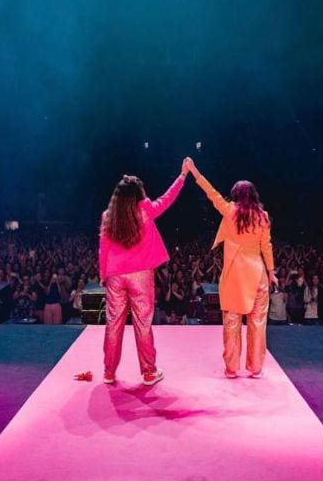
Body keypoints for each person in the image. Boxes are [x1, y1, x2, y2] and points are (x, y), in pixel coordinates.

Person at [184, 157, 277, 379]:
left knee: (232, 322)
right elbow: (267, 246)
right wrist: (272, 273)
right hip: (258, 275)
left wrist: (194, 170)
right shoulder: (263, 217)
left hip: (235, 274)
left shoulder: (229, 211)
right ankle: (255, 368)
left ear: (235, 196)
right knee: (257, 322)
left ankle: (232, 368)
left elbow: (211, 192)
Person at [98, 161, 188, 386]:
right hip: (140, 275)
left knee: (113, 323)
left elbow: (103, 248)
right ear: (139, 193)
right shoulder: (146, 209)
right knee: (143, 323)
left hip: (116, 276)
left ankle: (109, 372)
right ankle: (149, 372)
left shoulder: (109, 215)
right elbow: (167, 199)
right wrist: (182, 176)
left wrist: (103, 274)